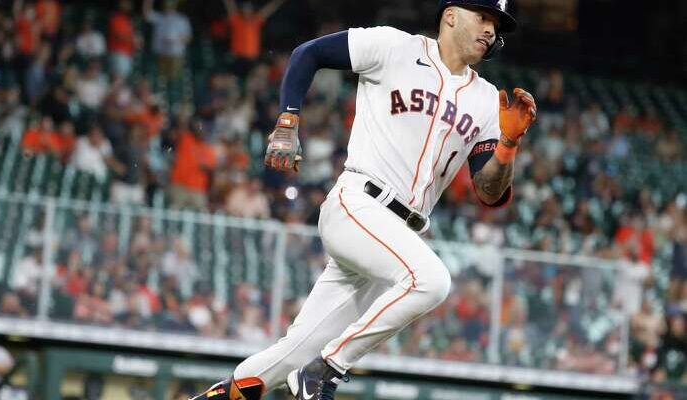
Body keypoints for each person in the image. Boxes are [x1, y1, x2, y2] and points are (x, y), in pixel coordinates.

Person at [191, 1, 537, 399]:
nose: (491, 29)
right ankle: (324, 370)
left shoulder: (486, 99)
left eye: (497, 25)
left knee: (289, 355)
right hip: (359, 204)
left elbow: (489, 193)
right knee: (432, 281)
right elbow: (309, 54)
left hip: (395, 238)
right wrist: (288, 119)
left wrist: (507, 145)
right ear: (451, 15)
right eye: (484, 17)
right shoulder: (394, 47)